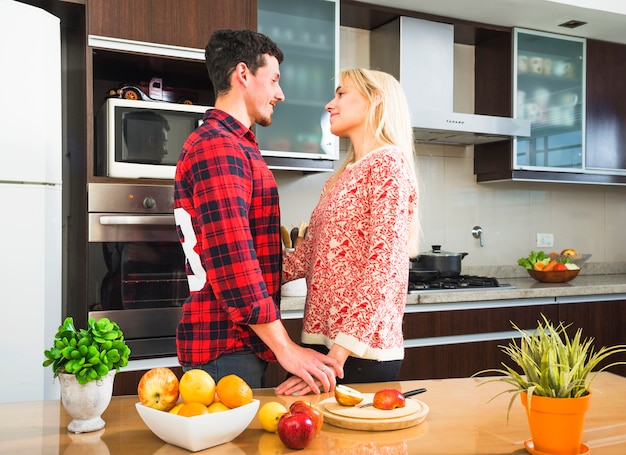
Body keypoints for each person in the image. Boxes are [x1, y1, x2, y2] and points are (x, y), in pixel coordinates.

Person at [173, 29, 342, 391]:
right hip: (225, 347)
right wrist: (287, 348)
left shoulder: (234, 145)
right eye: (275, 79)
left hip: (236, 345)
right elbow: (233, 258)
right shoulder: (220, 147)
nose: (280, 94)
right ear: (243, 74)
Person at [275, 68, 420, 396]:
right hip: (321, 346)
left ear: (375, 99)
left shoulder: (388, 165)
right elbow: (306, 259)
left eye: (341, 93)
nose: (330, 104)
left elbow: (384, 268)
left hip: (358, 353)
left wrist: (336, 357)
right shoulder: (340, 177)